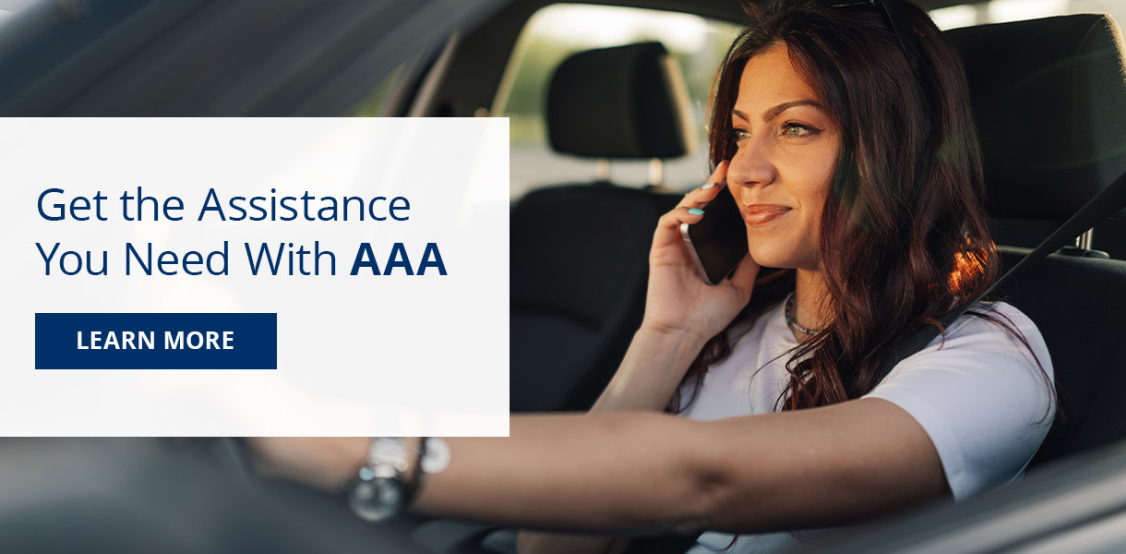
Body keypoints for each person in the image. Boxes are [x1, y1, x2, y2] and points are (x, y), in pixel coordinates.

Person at [250, 0, 1055, 552]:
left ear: (896, 154)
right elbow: (551, 546)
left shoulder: (992, 362)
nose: (746, 169)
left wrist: (363, 453)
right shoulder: (741, 324)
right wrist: (664, 338)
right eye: (739, 133)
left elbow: (700, 480)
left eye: (797, 129)